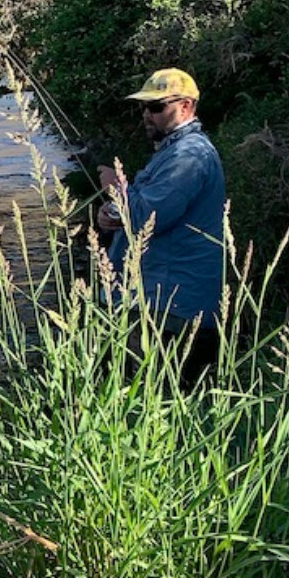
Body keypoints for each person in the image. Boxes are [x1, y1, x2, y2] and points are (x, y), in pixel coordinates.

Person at [96, 67, 226, 387]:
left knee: (153, 403)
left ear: (185, 107)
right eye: (144, 107)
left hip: (171, 310)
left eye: (156, 107)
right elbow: (138, 211)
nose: (146, 114)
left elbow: (147, 216)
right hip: (158, 304)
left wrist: (115, 187)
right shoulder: (173, 152)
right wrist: (110, 215)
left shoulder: (189, 155)